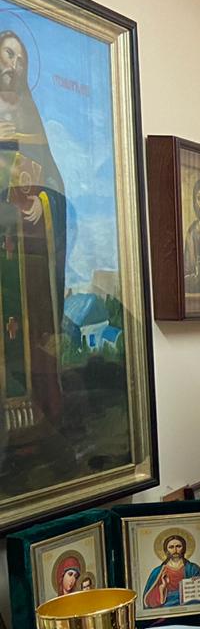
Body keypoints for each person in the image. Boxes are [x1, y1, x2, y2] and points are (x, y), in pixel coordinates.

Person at [0, 29, 67, 433]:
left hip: (27, 260)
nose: (14, 65)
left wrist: (43, 204)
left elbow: (55, 188)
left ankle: (37, 410)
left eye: (21, 60)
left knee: (32, 330)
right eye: (8, 55)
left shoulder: (32, 122)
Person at [142, 534, 200, 609]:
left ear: (183, 549)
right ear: (166, 550)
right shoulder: (158, 571)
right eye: (171, 547)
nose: (175, 550)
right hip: (166, 607)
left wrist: (197, 583)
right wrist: (162, 587)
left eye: (178, 546)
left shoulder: (193, 568)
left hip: (189, 606)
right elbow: (147, 601)